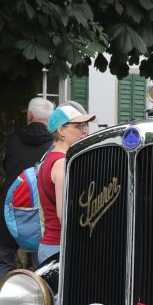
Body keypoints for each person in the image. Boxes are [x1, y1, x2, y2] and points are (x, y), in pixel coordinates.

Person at [0, 97, 55, 290]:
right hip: (40, 213)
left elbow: (5, 167)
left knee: (2, 262)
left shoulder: (12, 140)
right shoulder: (53, 145)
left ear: (30, 115)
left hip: (11, 208)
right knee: (44, 265)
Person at [37, 101, 96, 263]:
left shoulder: (50, 159)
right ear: (61, 130)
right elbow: (64, 214)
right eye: (79, 126)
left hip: (53, 245)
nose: (85, 131)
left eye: (85, 126)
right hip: (59, 246)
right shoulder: (62, 163)